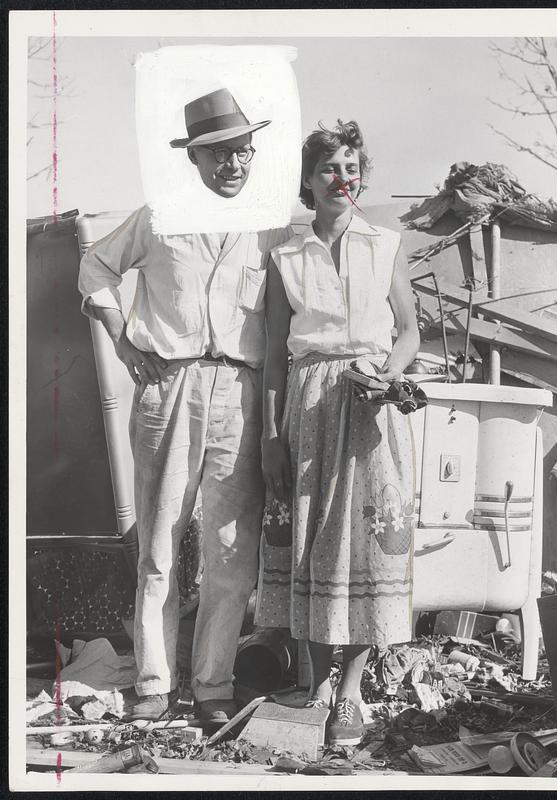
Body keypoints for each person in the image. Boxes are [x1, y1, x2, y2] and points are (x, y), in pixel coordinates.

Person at [78, 88, 290, 729]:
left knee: (231, 548)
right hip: (168, 385)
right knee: (160, 544)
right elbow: (94, 266)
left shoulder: (271, 226)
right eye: (222, 153)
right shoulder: (157, 217)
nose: (234, 164)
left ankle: (212, 686)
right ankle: (151, 685)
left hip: (244, 390)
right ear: (195, 159)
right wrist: (120, 338)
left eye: (244, 152)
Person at [255, 120, 421, 746]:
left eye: (351, 168)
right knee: (312, 542)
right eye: (329, 169)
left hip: (370, 404)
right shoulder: (286, 258)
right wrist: (272, 437)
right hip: (308, 404)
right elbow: (275, 357)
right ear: (307, 179)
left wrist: (389, 374)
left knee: (364, 544)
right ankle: (316, 679)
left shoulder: (386, 243)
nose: (342, 180)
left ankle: (349, 694)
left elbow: (408, 330)